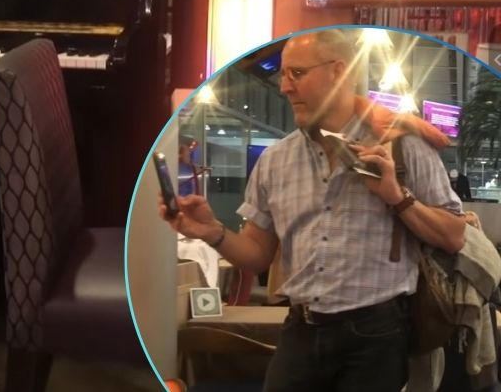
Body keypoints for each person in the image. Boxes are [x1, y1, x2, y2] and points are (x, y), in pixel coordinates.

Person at [160, 30, 466, 392]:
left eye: (297, 73)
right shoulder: (275, 160)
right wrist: (213, 232)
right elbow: (257, 255)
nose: (284, 87)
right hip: (300, 330)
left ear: (338, 71)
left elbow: (454, 235)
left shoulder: (403, 148)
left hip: (376, 334)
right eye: (283, 75)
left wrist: (396, 196)